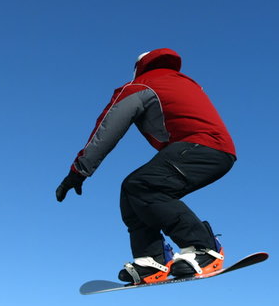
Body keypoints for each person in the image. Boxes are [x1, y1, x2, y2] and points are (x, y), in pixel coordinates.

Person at [55, 48, 236, 284]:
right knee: (133, 189)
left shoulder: (140, 86)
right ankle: (150, 261)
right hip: (215, 150)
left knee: (144, 185)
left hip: (200, 147)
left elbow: (108, 129)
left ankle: (204, 248)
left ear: (137, 70)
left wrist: (79, 171)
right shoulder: (186, 83)